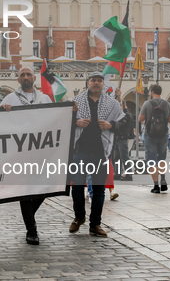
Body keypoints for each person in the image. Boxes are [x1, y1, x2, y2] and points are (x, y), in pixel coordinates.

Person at [0, 67, 52, 245]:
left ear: (34, 78)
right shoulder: (10, 98)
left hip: (41, 150)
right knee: (24, 191)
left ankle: (30, 217)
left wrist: (72, 111)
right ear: (18, 79)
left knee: (44, 187)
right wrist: (3, 110)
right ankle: (32, 229)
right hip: (20, 152)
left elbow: (56, 118)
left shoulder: (44, 99)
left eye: (29, 74)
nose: (26, 77)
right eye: (22, 74)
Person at [70, 71, 125, 238]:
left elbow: (124, 123)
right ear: (88, 83)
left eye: (99, 80)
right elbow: (62, 121)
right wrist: (76, 121)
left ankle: (95, 224)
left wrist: (111, 125)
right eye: (93, 80)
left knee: (99, 190)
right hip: (80, 151)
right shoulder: (76, 101)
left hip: (101, 152)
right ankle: (79, 217)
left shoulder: (112, 103)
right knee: (77, 187)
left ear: (103, 84)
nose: (96, 83)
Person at [139, 84, 170, 193]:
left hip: (150, 135)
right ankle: (163, 179)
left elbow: (140, 119)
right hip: (163, 135)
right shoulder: (167, 104)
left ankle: (156, 186)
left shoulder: (147, 103)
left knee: (151, 160)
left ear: (152, 92)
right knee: (162, 158)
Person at [115, 100, 134, 181]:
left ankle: (129, 174)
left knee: (124, 157)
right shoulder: (125, 114)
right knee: (117, 157)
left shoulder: (126, 114)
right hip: (119, 137)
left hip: (122, 137)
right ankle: (117, 173)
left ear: (122, 105)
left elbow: (123, 126)